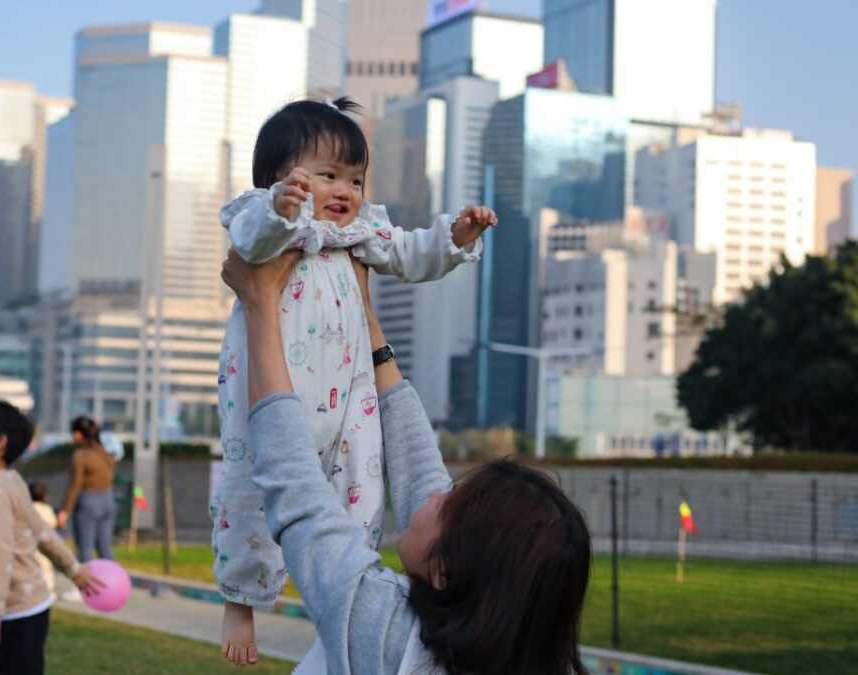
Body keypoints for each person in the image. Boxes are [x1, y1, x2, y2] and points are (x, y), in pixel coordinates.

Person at [213, 95, 496, 666]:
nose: (345, 190)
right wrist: (281, 211)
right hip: (273, 392)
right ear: (276, 180)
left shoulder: (359, 233)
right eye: (326, 175)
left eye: (356, 178)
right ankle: (241, 597)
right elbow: (249, 244)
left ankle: (347, 595)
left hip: (352, 399)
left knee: (360, 491)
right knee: (251, 486)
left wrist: (455, 238)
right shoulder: (261, 217)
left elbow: (412, 253)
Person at [221, 249, 593, 675]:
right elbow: (418, 463)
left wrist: (260, 304)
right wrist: (365, 314)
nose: (435, 495)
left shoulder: (388, 636)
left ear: (446, 572)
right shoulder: (530, 654)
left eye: (446, 506)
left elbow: (295, 483)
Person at [0, 400, 103, 675]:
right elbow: (42, 532)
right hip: (21, 607)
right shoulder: (11, 480)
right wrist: (73, 569)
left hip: (12, 614)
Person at [58, 415, 118, 562]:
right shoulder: (106, 454)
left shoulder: (80, 455)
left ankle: (86, 585)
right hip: (108, 501)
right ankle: (113, 582)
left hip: (88, 503)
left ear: (78, 434)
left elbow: (76, 484)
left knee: (85, 551)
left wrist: (65, 511)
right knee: (105, 549)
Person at [28, 481, 58, 597]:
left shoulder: (28, 508)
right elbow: (53, 523)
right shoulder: (47, 509)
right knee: (46, 569)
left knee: (31, 568)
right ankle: (49, 590)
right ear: (45, 496)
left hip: (30, 545)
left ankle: (32, 589)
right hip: (44, 546)